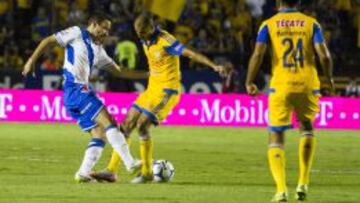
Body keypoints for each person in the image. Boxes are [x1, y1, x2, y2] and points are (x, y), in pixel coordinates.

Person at [91, 14, 229, 184]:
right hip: (151, 90)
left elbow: (190, 53)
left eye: (142, 32)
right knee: (126, 124)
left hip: (167, 92)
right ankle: (111, 171)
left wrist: (214, 65)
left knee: (142, 126)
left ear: (152, 27)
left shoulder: (165, 40)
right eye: (137, 32)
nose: (139, 35)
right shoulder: (144, 39)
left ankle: (147, 172)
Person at [22, 13, 141, 183]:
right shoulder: (77, 33)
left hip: (75, 95)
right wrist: (31, 61)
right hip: (76, 90)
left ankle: (83, 173)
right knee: (110, 123)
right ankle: (129, 162)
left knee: (99, 134)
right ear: (93, 24)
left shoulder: (98, 50)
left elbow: (119, 71)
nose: (106, 32)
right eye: (104, 27)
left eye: (109, 29)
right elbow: (48, 40)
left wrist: (149, 74)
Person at [245, 0, 335, 201]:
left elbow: (258, 53)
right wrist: (328, 78)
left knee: (276, 136)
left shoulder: (268, 24)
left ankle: (281, 190)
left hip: (281, 85)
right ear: (299, 3)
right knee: (307, 126)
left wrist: (249, 80)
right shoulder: (312, 23)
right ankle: (303, 182)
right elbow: (325, 56)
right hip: (307, 83)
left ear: (278, 2)